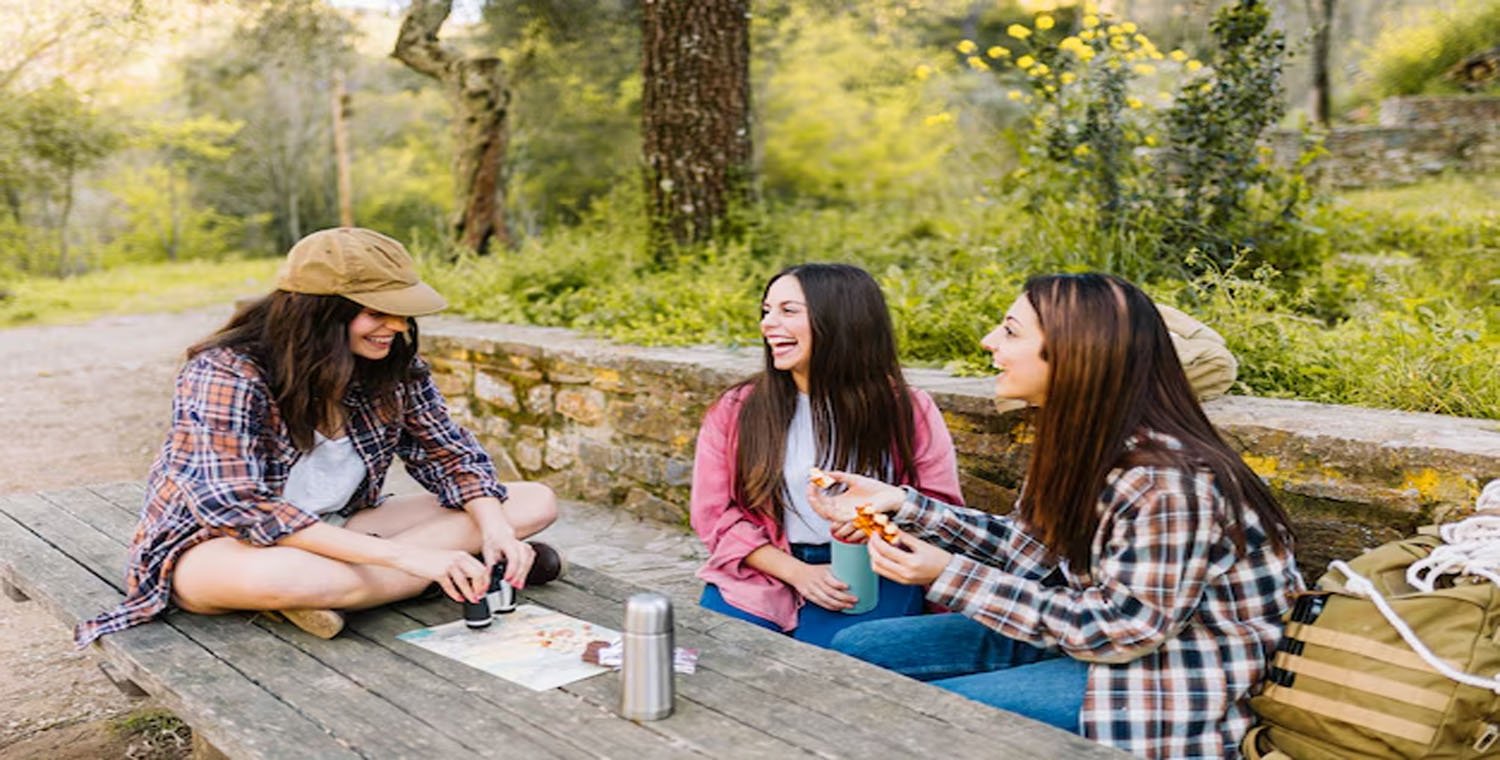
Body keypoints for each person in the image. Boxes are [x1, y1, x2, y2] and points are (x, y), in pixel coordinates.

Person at [809, 273, 1304, 759]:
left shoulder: (1165, 479)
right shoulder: (1081, 443)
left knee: (946, 724)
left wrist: (949, 576)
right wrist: (904, 504)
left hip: (1164, 676)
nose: (988, 342)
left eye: (1009, 331)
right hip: (1084, 639)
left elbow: (1126, 629)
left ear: (1074, 354)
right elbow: (1025, 548)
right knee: (859, 649)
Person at [75, 227, 560, 646]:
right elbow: (238, 504)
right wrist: (410, 557)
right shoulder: (227, 372)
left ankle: (382, 584)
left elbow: (449, 455)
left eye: (400, 312)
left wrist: (495, 530)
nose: (396, 326)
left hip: (339, 528)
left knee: (529, 503)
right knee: (290, 574)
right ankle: (435, 574)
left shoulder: (394, 368)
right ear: (319, 313)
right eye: (377, 312)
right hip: (217, 545)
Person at [690, 263, 964, 648]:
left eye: (788, 311)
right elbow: (715, 515)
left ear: (841, 319)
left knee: (846, 667)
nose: (768, 324)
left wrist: (879, 522)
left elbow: (942, 509)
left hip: (872, 569)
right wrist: (798, 573)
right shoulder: (737, 409)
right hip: (763, 570)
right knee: (723, 654)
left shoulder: (907, 409)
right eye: (767, 310)